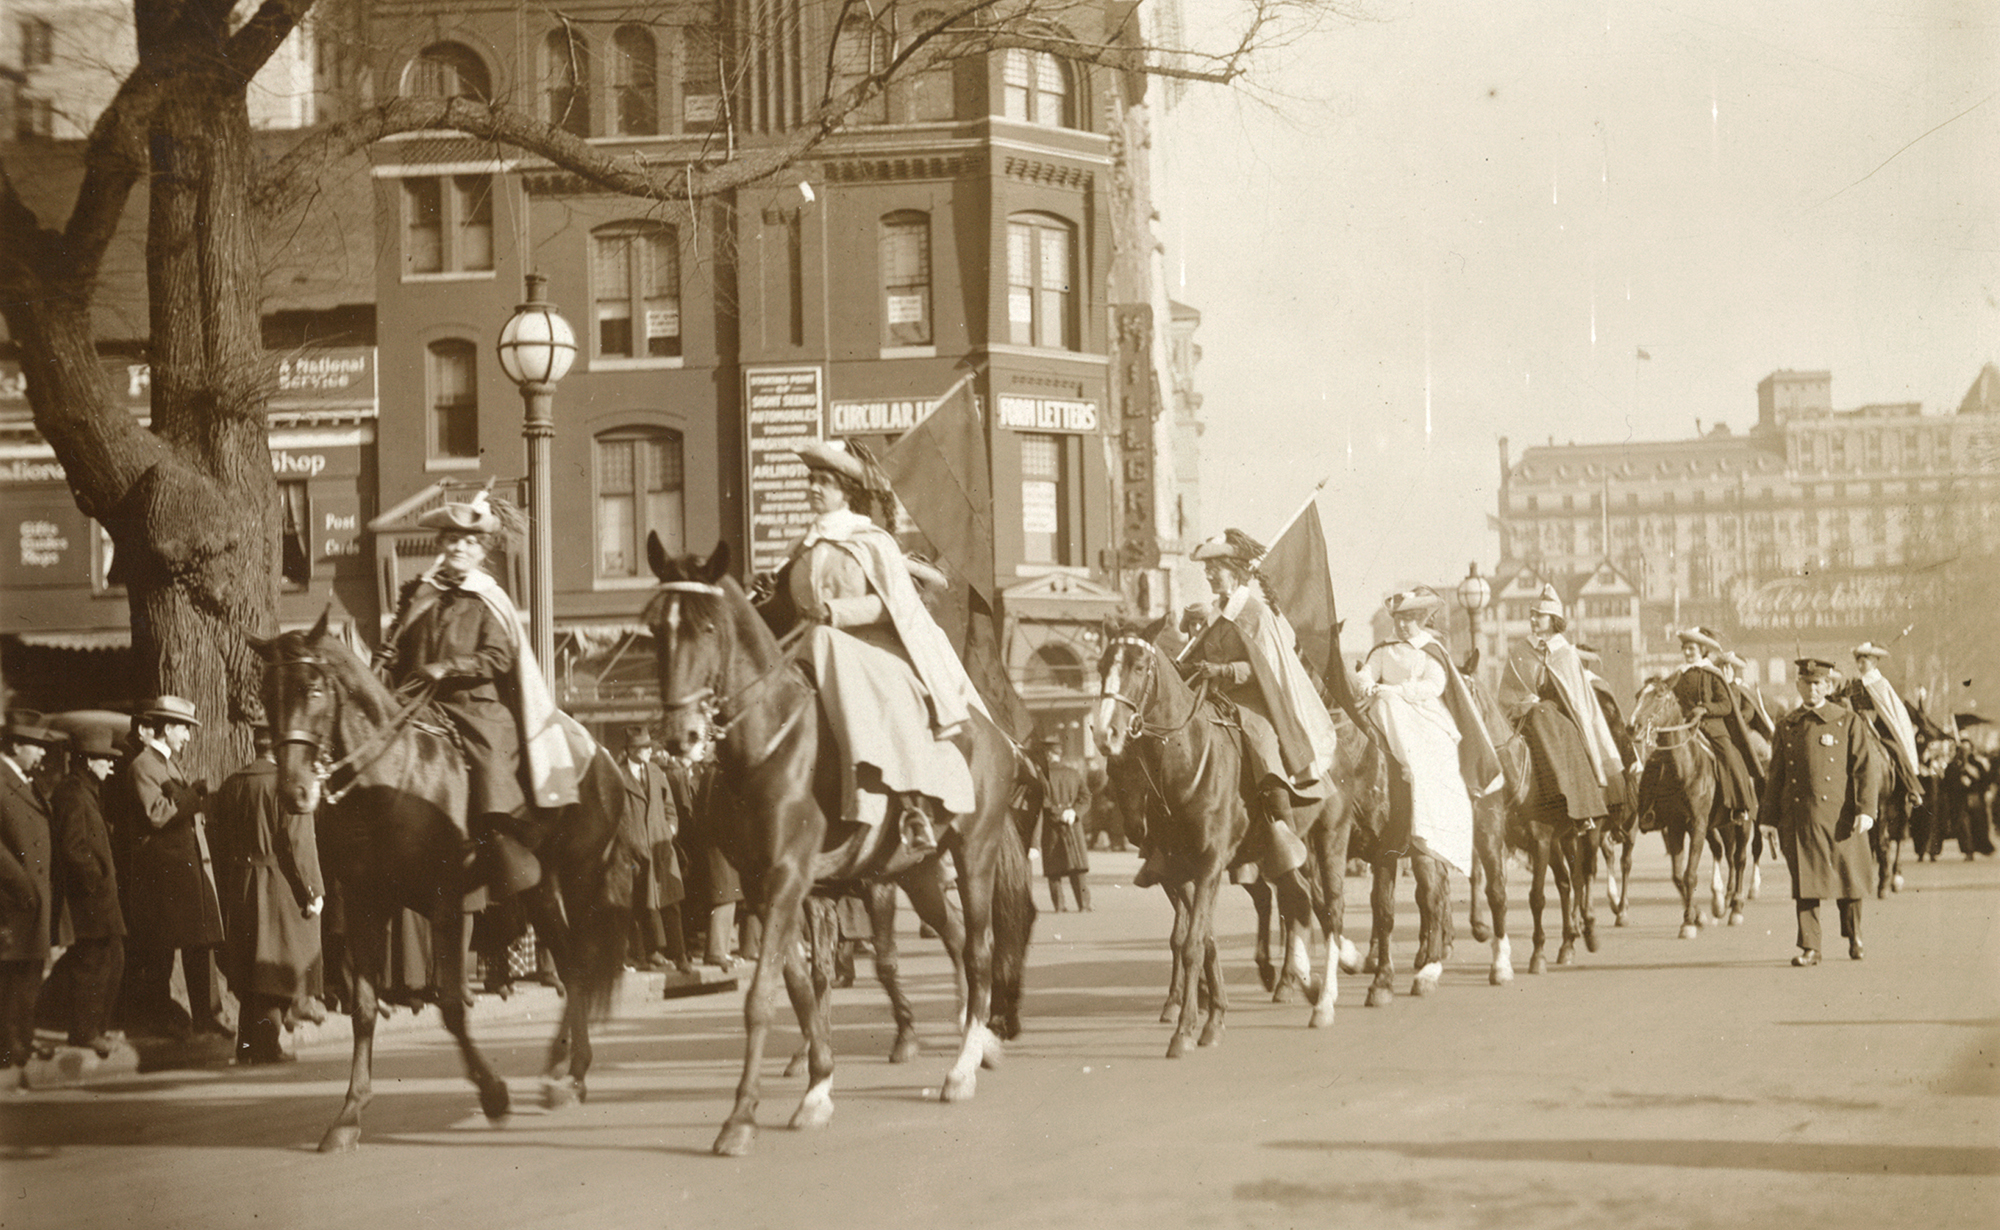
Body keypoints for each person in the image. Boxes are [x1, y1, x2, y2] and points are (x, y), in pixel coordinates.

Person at [777, 439, 985, 855]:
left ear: (846, 492)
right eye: (812, 480)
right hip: (812, 647)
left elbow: (895, 605)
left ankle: (911, 805)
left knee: (877, 691)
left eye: (825, 481)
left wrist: (835, 611)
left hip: (870, 647)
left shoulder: (871, 541)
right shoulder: (802, 549)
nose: (814, 487)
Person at [377, 489, 578, 897]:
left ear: (480, 550)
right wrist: (389, 654)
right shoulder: (421, 594)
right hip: (419, 704)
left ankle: (498, 845)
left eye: (468, 542)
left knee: (488, 760)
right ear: (440, 544)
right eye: (452, 540)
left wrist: (449, 667)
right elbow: (402, 658)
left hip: (473, 705)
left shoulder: (488, 597)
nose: (459, 548)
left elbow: (498, 657)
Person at [1181, 529, 1342, 875]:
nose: (1208, 574)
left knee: (1261, 745)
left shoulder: (1253, 612)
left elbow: (1264, 668)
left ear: (1235, 571)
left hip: (1253, 701)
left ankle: (1280, 828)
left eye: (1214, 568)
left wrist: (1223, 670)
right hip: (1213, 698)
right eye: (1206, 568)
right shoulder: (1215, 613)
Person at [1356, 589, 1501, 877]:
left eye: (1408, 618)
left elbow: (1434, 686)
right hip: (1386, 705)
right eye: (1398, 618)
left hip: (1424, 712)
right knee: (1377, 710)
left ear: (1419, 619)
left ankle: (1417, 777)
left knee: (1395, 708)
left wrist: (1396, 690)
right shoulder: (1384, 648)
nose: (1401, 624)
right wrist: (1366, 684)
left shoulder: (1430, 649)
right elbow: (1367, 673)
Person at [105, 696, 227, 1038]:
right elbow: (157, 815)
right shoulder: (145, 765)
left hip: (184, 871)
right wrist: (193, 798)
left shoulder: (166, 763)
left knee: (198, 945)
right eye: (184, 729)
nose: (187, 737)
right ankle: (159, 1020)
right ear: (167, 728)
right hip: (165, 875)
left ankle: (207, 1016)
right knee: (162, 952)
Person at [210, 725, 325, 1064]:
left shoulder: (233, 783)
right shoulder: (287, 785)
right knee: (277, 964)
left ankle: (248, 1045)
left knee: (251, 965)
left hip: (242, 879)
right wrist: (313, 891)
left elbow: (220, 839)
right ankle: (265, 1045)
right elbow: (298, 843)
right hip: (278, 882)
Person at [1762, 657, 1884, 965]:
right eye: (1806, 683)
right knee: (1805, 883)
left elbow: (1864, 769)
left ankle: (1854, 935)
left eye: (1818, 683)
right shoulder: (1788, 724)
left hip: (1841, 817)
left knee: (1849, 879)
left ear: (1828, 686)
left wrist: (1866, 809)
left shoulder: (1847, 721)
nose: (1812, 689)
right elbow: (1775, 775)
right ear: (1798, 685)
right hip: (1800, 818)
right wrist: (1768, 819)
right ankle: (1810, 947)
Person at [1498, 585, 1620, 833]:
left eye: (1539, 616)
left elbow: (1575, 698)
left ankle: (1578, 806)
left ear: (1553, 620)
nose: (1533, 620)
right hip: (1524, 713)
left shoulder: (1566, 654)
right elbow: (1508, 690)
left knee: (1546, 716)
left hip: (1560, 715)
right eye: (1531, 615)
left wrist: (1544, 705)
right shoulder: (1520, 651)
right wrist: (1524, 701)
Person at [44, 723, 125, 1057]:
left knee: (108, 959)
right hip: (88, 901)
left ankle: (95, 1029)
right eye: (105, 759)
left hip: (97, 899)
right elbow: (74, 848)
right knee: (91, 964)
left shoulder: (83, 791)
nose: (111, 765)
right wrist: (94, 883)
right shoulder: (75, 794)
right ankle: (85, 1032)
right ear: (89, 760)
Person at [0, 718, 61, 1087]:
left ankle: (20, 1042)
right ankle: (11, 1048)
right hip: (12, 897)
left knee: (27, 976)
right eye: (35, 746)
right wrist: (20, 883)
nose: (40, 754)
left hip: (31, 897)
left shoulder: (23, 781)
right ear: (14, 746)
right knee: (14, 978)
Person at [617, 726, 694, 975]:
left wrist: (671, 828)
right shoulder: (618, 776)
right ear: (630, 750)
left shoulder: (656, 772)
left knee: (671, 904)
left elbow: (670, 806)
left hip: (661, 847)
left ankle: (680, 956)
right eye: (642, 748)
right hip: (634, 850)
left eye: (649, 747)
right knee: (641, 905)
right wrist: (626, 843)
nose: (648, 751)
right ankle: (648, 954)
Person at [1670, 627, 1763, 826]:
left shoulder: (1712, 674)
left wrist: (1704, 709)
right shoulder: (1679, 675)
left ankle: (1740, 806)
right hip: (1685, 727)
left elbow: (1726, 705)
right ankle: (1653, 808)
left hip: (1712, 728)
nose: (1687, 652)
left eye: (1691, 648)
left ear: (1703, 650)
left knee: (1730, 756)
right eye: (1684, 648)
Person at [1839, 642, 1924, 829]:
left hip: (1878, 728)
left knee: (1894, 751)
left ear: (1875, 661)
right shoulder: (1854, 683)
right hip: (1854, 725)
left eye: (1865, 661)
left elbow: (1886, 711)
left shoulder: (1880, 683)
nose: (1861, 665)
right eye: (1858, 661)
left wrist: (1866, 718)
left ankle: (1911, 788)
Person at [1036, 739, 1092, 912]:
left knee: (1054, 871)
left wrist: (1057, 813)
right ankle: (1084, 905)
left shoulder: (1041, 775)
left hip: (1051, 827)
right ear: (1059, 754)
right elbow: (1085, 797)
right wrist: (1075, 812)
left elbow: (1041, 801)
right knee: (1078, 868)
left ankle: (1059, 906)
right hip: (1072, 825)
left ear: (1047, 755)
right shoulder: (1073, 773)